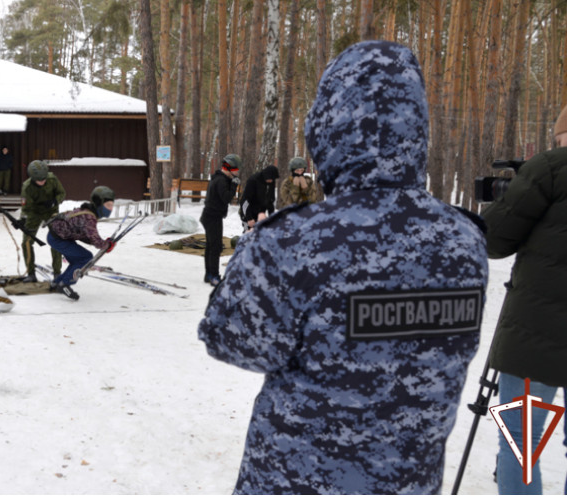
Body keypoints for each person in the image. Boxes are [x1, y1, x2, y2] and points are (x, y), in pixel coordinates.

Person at [198, 41, 489, 494]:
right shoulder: (464, 239)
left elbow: (226, 337)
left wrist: (252, 254)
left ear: (328, 127)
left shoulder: (295, 241)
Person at [483, 98, 567, 495]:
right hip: (538, 339)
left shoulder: (552, 168)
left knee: (520, 445)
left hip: (533, 340)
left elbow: (493, 239)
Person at [46, 186, 115, 301]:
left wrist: (103, 243)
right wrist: (107, 245)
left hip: (59, 237)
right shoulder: (89, 218)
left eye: (112, 205)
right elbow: (96, 241)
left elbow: (86, 235)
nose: (110, 209)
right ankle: (65, 284)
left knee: (77, 261)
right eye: (108, 205)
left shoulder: (87, 212)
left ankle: (57, 283)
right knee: (85, 258)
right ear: (98, 203)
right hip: (58, 239)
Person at [20, 160, 66, 283]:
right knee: (26, 242)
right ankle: (31, 273)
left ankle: (57, 273)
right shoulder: (27, 187)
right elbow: (26, 208)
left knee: (57, 239)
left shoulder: (52, 179)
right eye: (39, 180)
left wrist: (55, 201)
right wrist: (22, 220)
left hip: (51, 210)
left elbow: (62, 193)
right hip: (34, 212)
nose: (42, 181)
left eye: (44, 179)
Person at [200, 154, 241, 286]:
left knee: (211, 246)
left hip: (210, 216)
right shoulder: (221, 181)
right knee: (215, 247)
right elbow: (226, 198)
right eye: (235, 170)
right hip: (212, 217)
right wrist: (234, 187)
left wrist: (232, 182)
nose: (237, 173)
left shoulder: (219, 178)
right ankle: (214, 276)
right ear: (228, 168)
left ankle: (208, 274)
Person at [238, 164, 278, 231]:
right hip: (248, 212)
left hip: (260, 213)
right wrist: (249, 218)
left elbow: (271, 201)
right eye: (271, 179)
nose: (271, 181)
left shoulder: (271, 182)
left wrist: (272, 217)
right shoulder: (253, 180)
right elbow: (245, 201)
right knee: (249, 234)